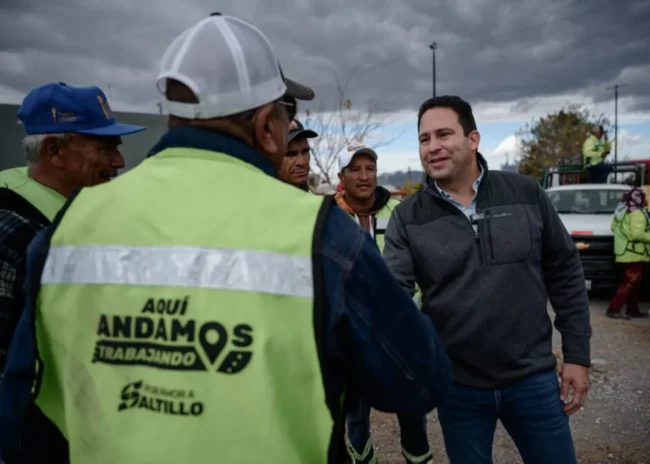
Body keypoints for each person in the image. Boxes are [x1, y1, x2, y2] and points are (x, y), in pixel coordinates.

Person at [0, 14, 449, 464]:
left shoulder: (71, 226)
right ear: (265, 125)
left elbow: (24, 408)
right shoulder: (320, 233)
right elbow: (417, 380)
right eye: (287, 114)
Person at [383, 95, 591, 464]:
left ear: (473, 139)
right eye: (424, 139)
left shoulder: (526, 193)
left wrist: (577, 355)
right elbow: (394, 301)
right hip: (458, 388)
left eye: (444, 134)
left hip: (533, 380)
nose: (433, 147)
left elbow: (565, 272)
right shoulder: (407, 217)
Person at [0, 82, 145, 463]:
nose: (119, 162)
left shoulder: (78, 219)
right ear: (53, 150)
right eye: (105, 148)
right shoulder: (13, 231)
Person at [334, 144, 431, 464]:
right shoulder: (329, 217)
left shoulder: (400, 212)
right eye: (355, 169)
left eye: (370, 168)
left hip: (401, 334)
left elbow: (422, 269)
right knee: (357, 418)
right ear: (341, 176)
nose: (364, 176)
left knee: (413, 415)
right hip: (353, 338)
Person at [606, 187, 650, 320]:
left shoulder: (621, 212)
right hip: (635, 252)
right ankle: (614, 309)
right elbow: (637, 234)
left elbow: (613, 227)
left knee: (634, 283)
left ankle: (633, 310)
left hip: (624, 252)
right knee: (630, 282)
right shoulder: (638, 213)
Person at [279, 117, 317, 191]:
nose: (302, 162)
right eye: (291, 154)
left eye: (305, 151)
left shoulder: (310, 195)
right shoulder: (262, 196)